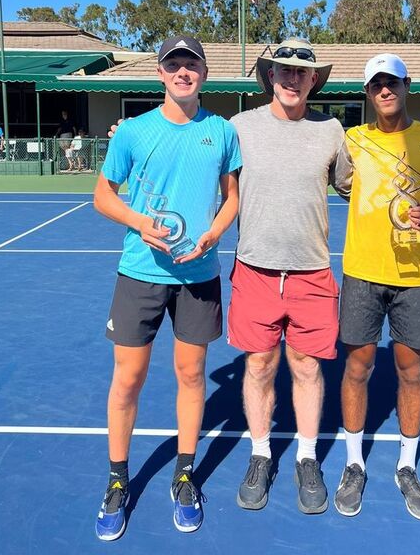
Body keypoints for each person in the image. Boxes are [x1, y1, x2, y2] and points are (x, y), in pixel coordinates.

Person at [93, 35, 241, 541]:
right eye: (174, 64)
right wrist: (139, 222)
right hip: (140, 273)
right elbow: (102, 197)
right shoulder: (133, 133)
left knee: (191, 374)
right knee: (129, 378)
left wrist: (215, 234)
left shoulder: (221, 132)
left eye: (192, 64)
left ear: (204, 73)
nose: (183, 72)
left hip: (198, 276)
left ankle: (183, 475)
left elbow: (231, 199)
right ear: (160, 73)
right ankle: (117, 481)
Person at [334, 53, 420, 521]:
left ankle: (406, 467)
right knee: (358, 369)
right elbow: (340, 182)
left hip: (415, 280)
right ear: (368, 94)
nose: (384, 91)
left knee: (410, 371)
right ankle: (354, 464)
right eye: (376, 85)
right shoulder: (352, 141)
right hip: (361, 274)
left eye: (392, 82)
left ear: (407, 85)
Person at [228, 39, 351, 515]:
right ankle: (260, 454)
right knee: (259, 366)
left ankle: (305, 457)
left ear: (314, 80)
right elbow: (211, 177)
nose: (293, 77)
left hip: (312, 274)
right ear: (269, 77)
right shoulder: (240, 128)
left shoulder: (332, 131)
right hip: (255, 270)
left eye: (303, 71)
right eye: (283, 70)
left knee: (305, 367)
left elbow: (353, 187)